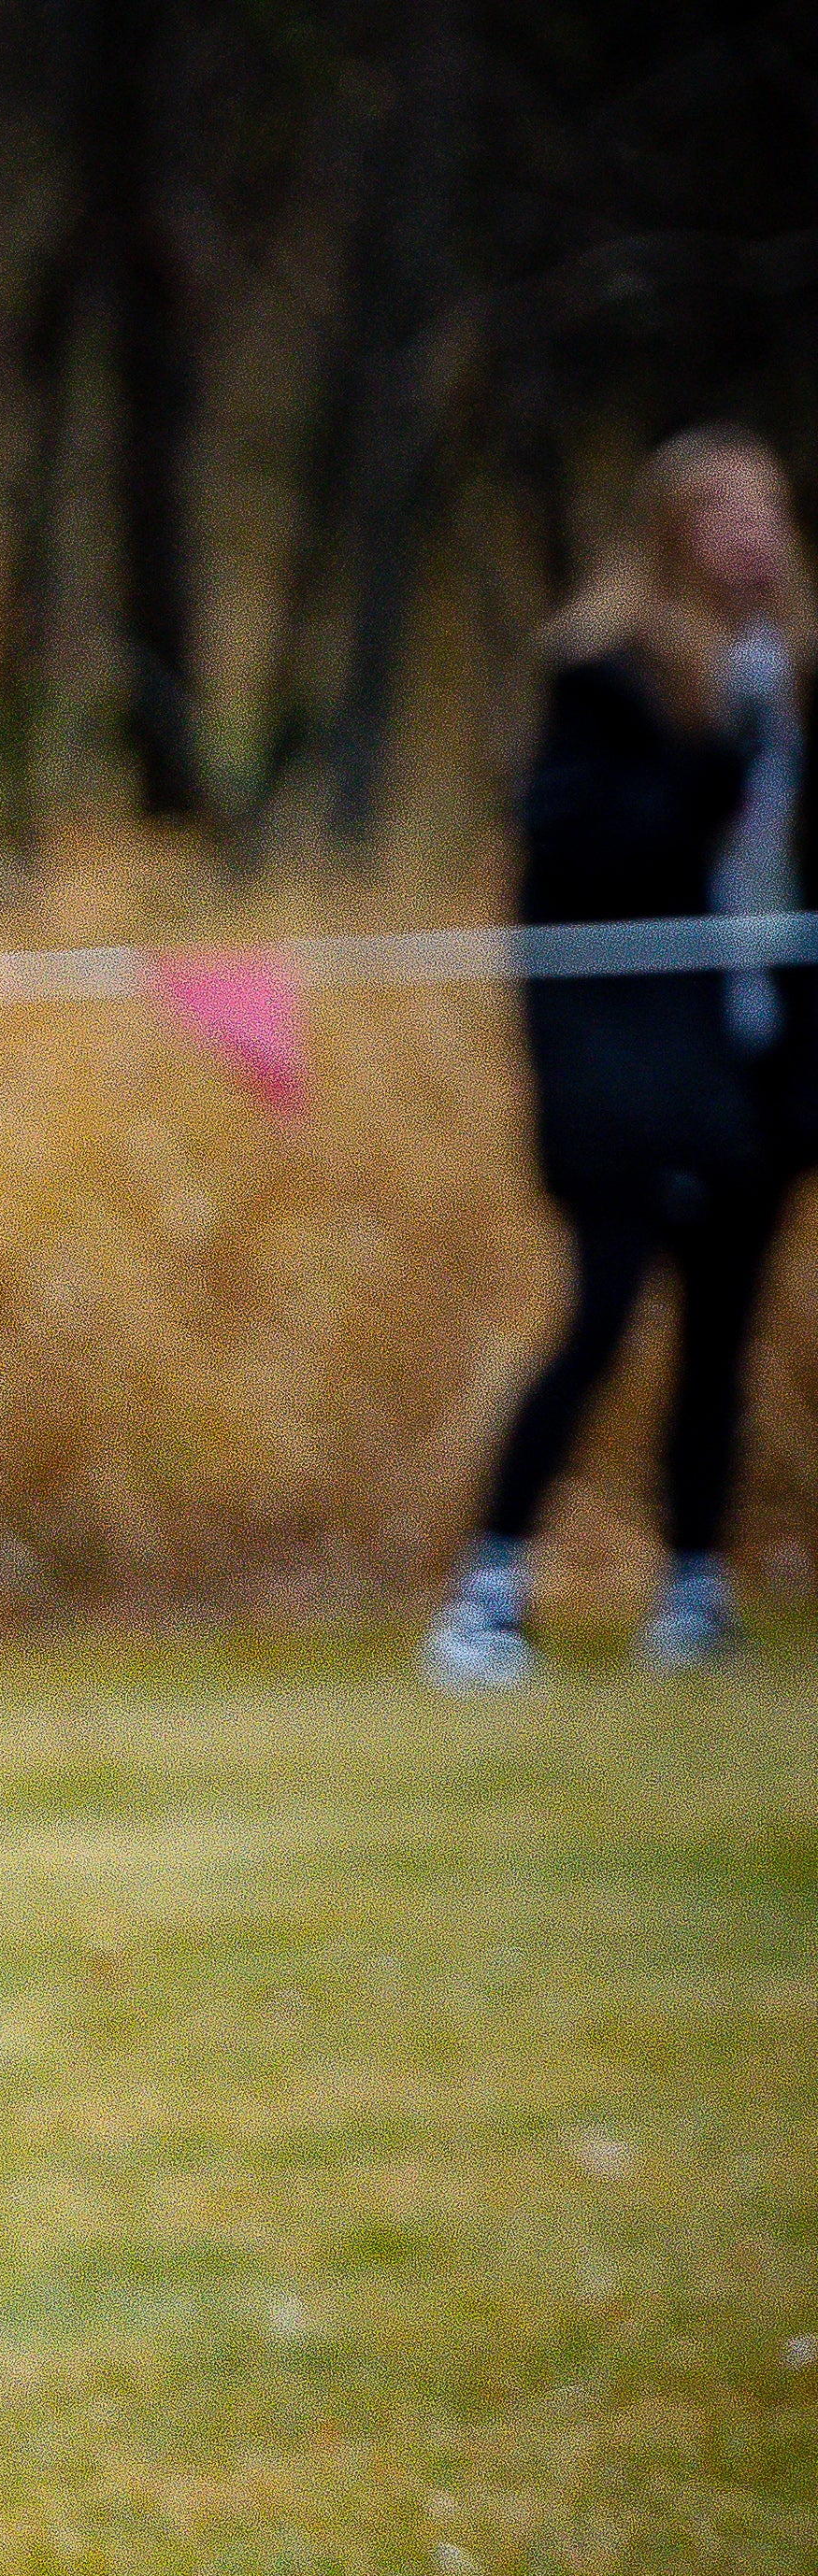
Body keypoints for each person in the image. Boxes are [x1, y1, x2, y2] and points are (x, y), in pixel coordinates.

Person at [423, 427, 811, 1688]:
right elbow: (580, 863)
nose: (751, 536)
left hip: (768, 1049)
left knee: (722, 1331)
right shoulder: (606, 678)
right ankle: (491, 1589)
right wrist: (716, 752)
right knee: (600, 1314)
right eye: (722, 513)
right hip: (631, 1057)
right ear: (669, 535)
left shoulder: (800, 674)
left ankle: (693, 1590)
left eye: (769, 509)